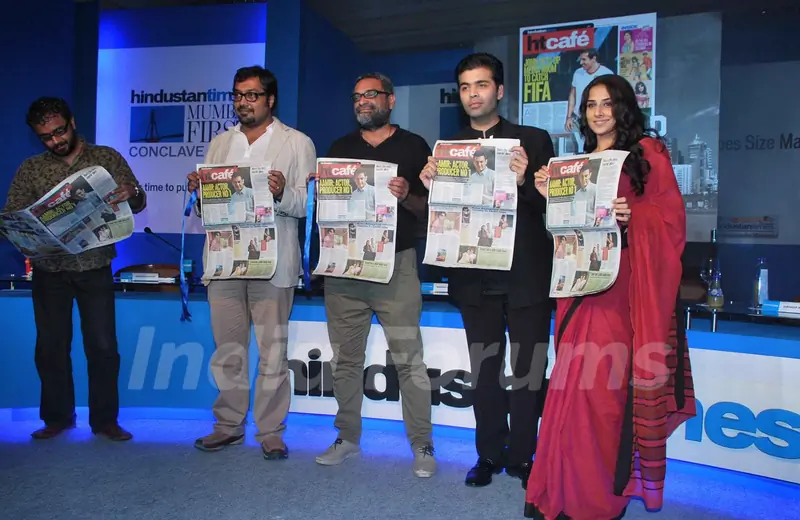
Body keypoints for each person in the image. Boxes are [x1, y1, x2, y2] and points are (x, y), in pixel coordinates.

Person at [524, 74, 696, 520]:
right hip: (577, 285)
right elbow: (565, 229)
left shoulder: (649, 154)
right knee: (569, 387)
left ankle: (597, 498)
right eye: (591, 104)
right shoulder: (576, 161)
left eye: (607, 103)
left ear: (625, 108)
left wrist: (632, 214)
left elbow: (672, 219)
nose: (598, 112)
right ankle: (560, 489)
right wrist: (549, 194)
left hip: (622, 290)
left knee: (602, 393)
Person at [419, 52, 555, 488]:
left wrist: (524, 182)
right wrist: (429, 190)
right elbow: (440, 220)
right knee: (485, 371)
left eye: (480, 85)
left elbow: (552, 209)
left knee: (529, 371)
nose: (472, 94)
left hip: (525, 275)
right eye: (464, 87)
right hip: (473, 276)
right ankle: (489, 455)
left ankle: (523, 455)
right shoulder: (448, 149)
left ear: (499, 90)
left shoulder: (533, 139)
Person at [187, 66, 316, 459]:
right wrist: (198, 192)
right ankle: (227, 425)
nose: (244, 102)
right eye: (238, 95)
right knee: (228, 350)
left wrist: (279, 193)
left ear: (270, 99)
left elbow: (308, 204)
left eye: (253, 95)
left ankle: (271, 431)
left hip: (273, 262)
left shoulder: (297, 142)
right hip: (225, 260)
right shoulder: (220, 142)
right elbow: (208, 207)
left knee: (273, 350)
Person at [312, 72, 436, 478]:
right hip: (344, 268)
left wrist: (408, 195)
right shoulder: (340, 148)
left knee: (408, 360)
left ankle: (422, 445)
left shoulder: (414, 146)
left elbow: (429, 211)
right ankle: (347, 438)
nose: (362, 101)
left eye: (370, 94)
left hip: (395, 267)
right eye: (356, 96)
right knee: (346, 361)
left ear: (390, 100)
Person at [3, 97, 147, 441]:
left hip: (94, 265)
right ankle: (57, 417)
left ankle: (105, 421)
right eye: (46, 137)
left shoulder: (106, 158)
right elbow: (12, 213)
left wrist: (132, 192)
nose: (55, 140)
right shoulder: (30, 169)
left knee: (102, 347)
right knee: (51, 347)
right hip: (49, 269)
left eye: (59, 131)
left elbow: (139, 202)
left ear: (73, 122)